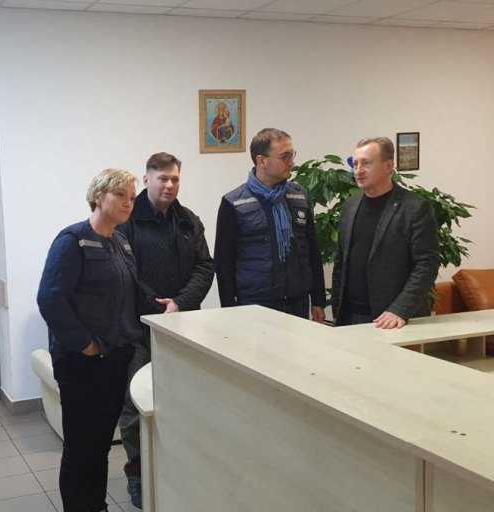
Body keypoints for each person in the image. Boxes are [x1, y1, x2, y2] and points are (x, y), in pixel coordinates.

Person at [37, 169, 143, 512]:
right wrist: (87, 345)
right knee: (81, 447)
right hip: (82, 362)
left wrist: (163, 305)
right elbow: (50, 299)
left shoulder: (120, 242)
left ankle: (95, 505)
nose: (128, 203)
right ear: (98, 196)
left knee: (99, 445)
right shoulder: (73, 241)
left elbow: (129, 292)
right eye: (120, 195)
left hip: (115, 358)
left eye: (132, 197)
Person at [116, 152, 213, 508]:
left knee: (182, 401)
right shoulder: (127, 220)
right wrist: (159, 307)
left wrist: (179, 303)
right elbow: (125, 271)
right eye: (162, 179)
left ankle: (176, 471)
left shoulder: (188, 221)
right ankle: (138, 476)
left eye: (175, 179)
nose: (169, 185)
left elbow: (205, 267)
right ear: (146, 179)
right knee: (135, 406)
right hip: (137, 329)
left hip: (182, 326)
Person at [214, 128, 326, 320]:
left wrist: (318, 299)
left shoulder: (299, 196)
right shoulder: (233, 202)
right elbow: (224, 263)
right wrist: (229, 311)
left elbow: (312, 251)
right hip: (255, 305)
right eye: (285, 156)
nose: (291, 162)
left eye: (292, 155)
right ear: (262, 161)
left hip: (297, 302)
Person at [333, 137, 439, 328]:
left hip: (394, 319)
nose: (358, 170)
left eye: (366, 163)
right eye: (355, 164)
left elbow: (426, 265)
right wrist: (336, 308)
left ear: (388, 166)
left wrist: (399, 309)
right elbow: (341, 261)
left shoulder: (414, 207)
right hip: (350, 316)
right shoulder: (350, 206)